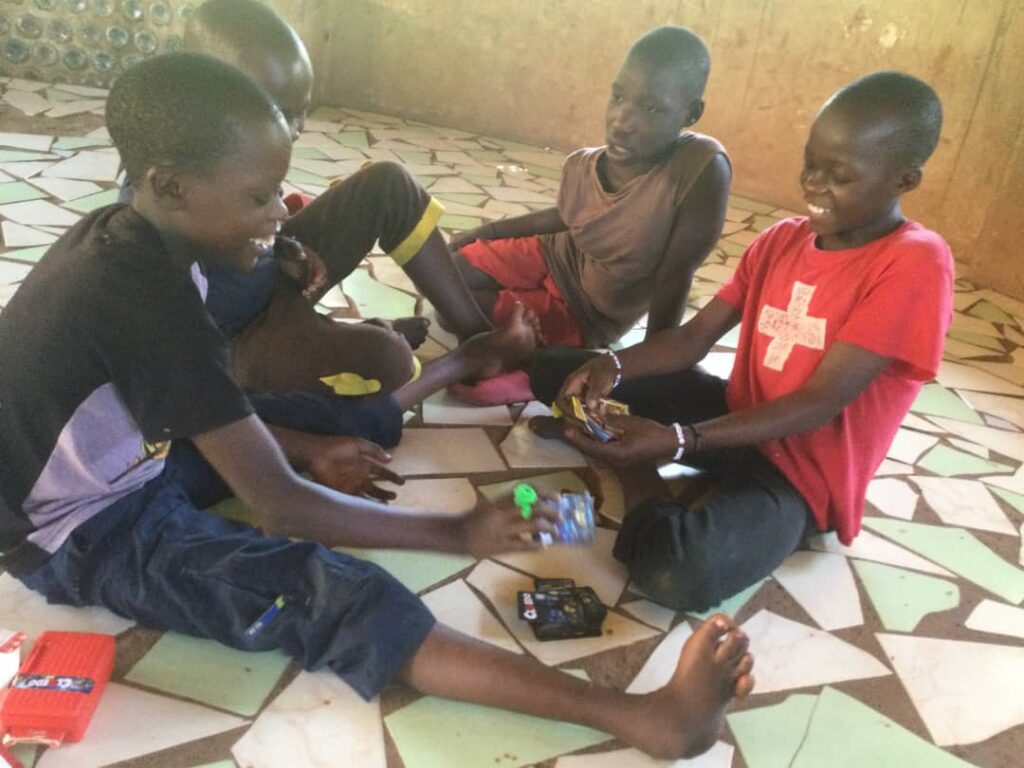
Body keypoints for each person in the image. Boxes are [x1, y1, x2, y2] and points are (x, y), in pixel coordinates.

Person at [0, 53, 753, 762]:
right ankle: (647, 719)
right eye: (259, 199)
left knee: (322, 423)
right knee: (337, 593)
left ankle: (464, 361)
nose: (277, 219)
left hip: (135, 456)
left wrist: (298, 425)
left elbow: (211, 409)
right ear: (167, 186)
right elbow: (282, 508)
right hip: (80, 530)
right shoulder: (146, 302)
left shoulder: (139, 239)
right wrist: (456, 532)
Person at [529, 71, 953, 612]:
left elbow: (819, 403)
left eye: (839, 175)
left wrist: (677, 442)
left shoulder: (915, 261)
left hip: (799, 474)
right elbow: (693, 339)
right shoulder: (783, 239)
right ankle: (635, 444)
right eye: (811, 163)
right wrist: (613, 364)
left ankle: (633, 467)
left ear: (904, 180)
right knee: (555, 371)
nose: (814, 184)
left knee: (676, 572)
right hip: (736, 420)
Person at [183, 0, 496, 398]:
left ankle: (478, 334)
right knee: (388, 360)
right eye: (280, 111)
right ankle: (458, 358)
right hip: (240, 341)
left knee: (388, 185)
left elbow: (246, 235)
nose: (296, 129)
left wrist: (284, 247)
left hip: (272, 286)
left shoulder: (249, 151)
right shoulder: (171, 184)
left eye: (303, 110)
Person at [448, 26, 730, 352]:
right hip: (552, 254)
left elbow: (675, 276)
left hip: (586, 313)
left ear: (691, 113)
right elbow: (567, 218)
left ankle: (512, 344)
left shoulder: (699, 171)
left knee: (459, 313)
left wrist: (650, 368)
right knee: (449, 277)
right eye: (619, 96)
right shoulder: (588, 166)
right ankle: (514, 333)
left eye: (651, 108)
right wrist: (489, 231)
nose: (621, 121)